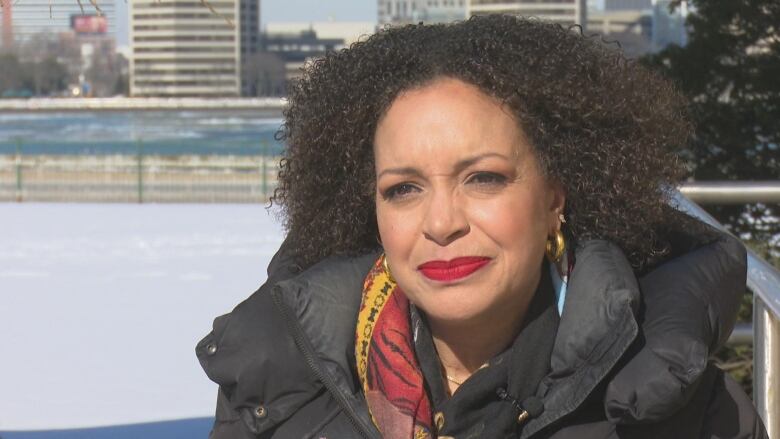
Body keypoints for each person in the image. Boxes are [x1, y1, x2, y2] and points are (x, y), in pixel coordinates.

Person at [196, 15, 768, 438]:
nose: (442, 222)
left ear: (554, 200)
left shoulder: (672, 405)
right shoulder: (276, 388)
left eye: (484, 178)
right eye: (403, 189)